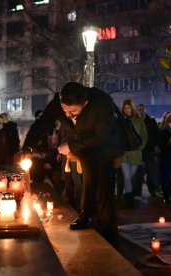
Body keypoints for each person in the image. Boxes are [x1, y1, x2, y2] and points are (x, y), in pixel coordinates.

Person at [19, 81, 127, 246]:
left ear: (85, 103)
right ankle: (86, 214)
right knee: (82, 184)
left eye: (73, 111)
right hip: (82, 146)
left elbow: (99, 137)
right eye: (64, 110)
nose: (68, 115)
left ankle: (110, 237)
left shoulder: (102, 102)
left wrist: (69, 146)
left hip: (106, 146)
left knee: (103, 190)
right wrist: (27, 147)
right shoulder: (57, 102)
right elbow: (41, 124)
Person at [118, 99, 148, 207]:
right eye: (125, 108)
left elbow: (144, 136)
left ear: (132, 108)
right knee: (127, 176)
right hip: (124, 154)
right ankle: (129, 197)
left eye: (128, 108)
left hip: (135, 153)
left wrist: (141, 147)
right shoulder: (120, 121)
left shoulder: (138, 121)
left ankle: (129, 195)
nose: (127, 110)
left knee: (131, 176)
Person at [136, 104, 159, 197]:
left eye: (142, 109)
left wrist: (156, 146)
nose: (141, 111)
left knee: (150, 171)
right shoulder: (135, 122)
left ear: (145, 110)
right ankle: (137, 191)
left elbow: (156, 135)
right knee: (138, 172)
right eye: (139, 110)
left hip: (149, 150)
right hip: (138, 150)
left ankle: (152, 190)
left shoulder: (151, 122)